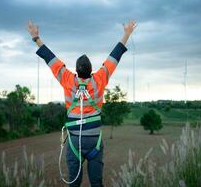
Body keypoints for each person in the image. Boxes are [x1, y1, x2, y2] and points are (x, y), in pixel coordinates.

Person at [27, 19, 137, 187]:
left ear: (76, 70)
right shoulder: (99, 79)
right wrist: (127, 34)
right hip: (95, 143)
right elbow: (114, 57)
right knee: (96, 183)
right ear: (91, 70)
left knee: (74, 183)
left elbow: (51, 59)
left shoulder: (67, 79)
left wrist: (36, 38)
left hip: (74, 142)